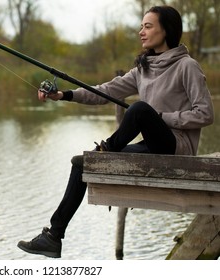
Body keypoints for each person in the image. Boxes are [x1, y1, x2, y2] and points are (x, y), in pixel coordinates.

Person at [17, 5, 214, 258]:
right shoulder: (143, 69)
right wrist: (64, 95)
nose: (141, 31)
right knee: (83, 163)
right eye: (141, 26)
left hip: (178, 149)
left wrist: (162, 118)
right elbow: (105, 92)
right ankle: (53, 237)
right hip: (152, 146)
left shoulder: (187, 66)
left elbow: (205, 114)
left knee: (140, 110)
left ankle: (107, 149)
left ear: (166, 30)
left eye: (148, 26)